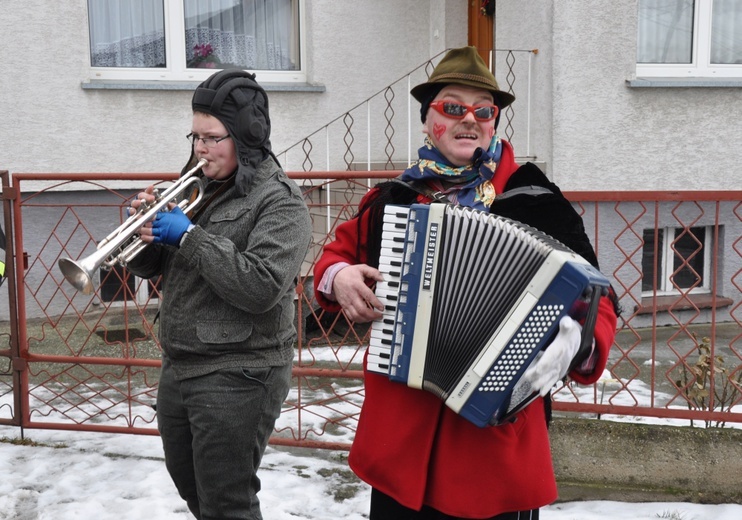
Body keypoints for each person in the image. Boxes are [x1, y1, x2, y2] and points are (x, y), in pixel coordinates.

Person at [313, 47, 619, 519]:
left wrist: (579, 343)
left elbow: (598, 298)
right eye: (453, 107)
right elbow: (335, 256)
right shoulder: (394, 199)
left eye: (484, 110)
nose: (469, 119)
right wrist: (340, 277)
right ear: (427, 120)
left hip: (489, 446)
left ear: (494, 122)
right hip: (400, 441)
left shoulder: (533, 198)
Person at [127, 69, 312, 520]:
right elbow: (163, 269)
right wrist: (144, 237)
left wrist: (189, 237)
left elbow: (261, 287)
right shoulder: (198, 186)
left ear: (247, 136)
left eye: (212, 138)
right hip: (183, 362)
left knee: (228, 502)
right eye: (195, 137)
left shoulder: (281, 201)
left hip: (240, 370)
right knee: (193, 487)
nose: (200, 149)